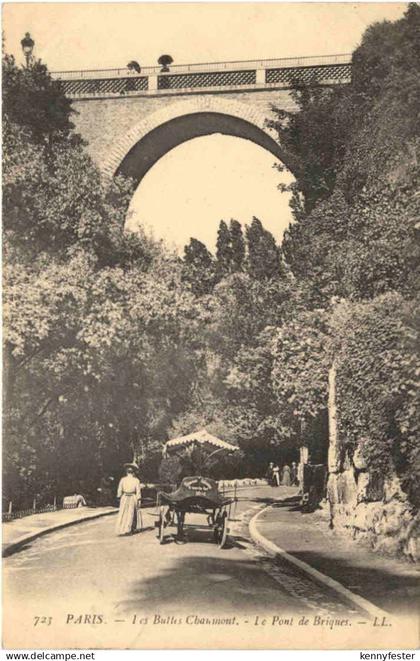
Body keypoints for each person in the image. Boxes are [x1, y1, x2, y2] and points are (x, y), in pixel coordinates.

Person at [115, 463, 142, 536]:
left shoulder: (123, 479)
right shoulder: (136, 480)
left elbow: (119, 490)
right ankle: (129, 529)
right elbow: (138, 491)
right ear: (133, 472)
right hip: (133, 497)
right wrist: (139, 500)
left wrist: (119, 496)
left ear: (127, 472)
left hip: (124, 497)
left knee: (123, 513)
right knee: (131, 513)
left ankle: (121, 529)